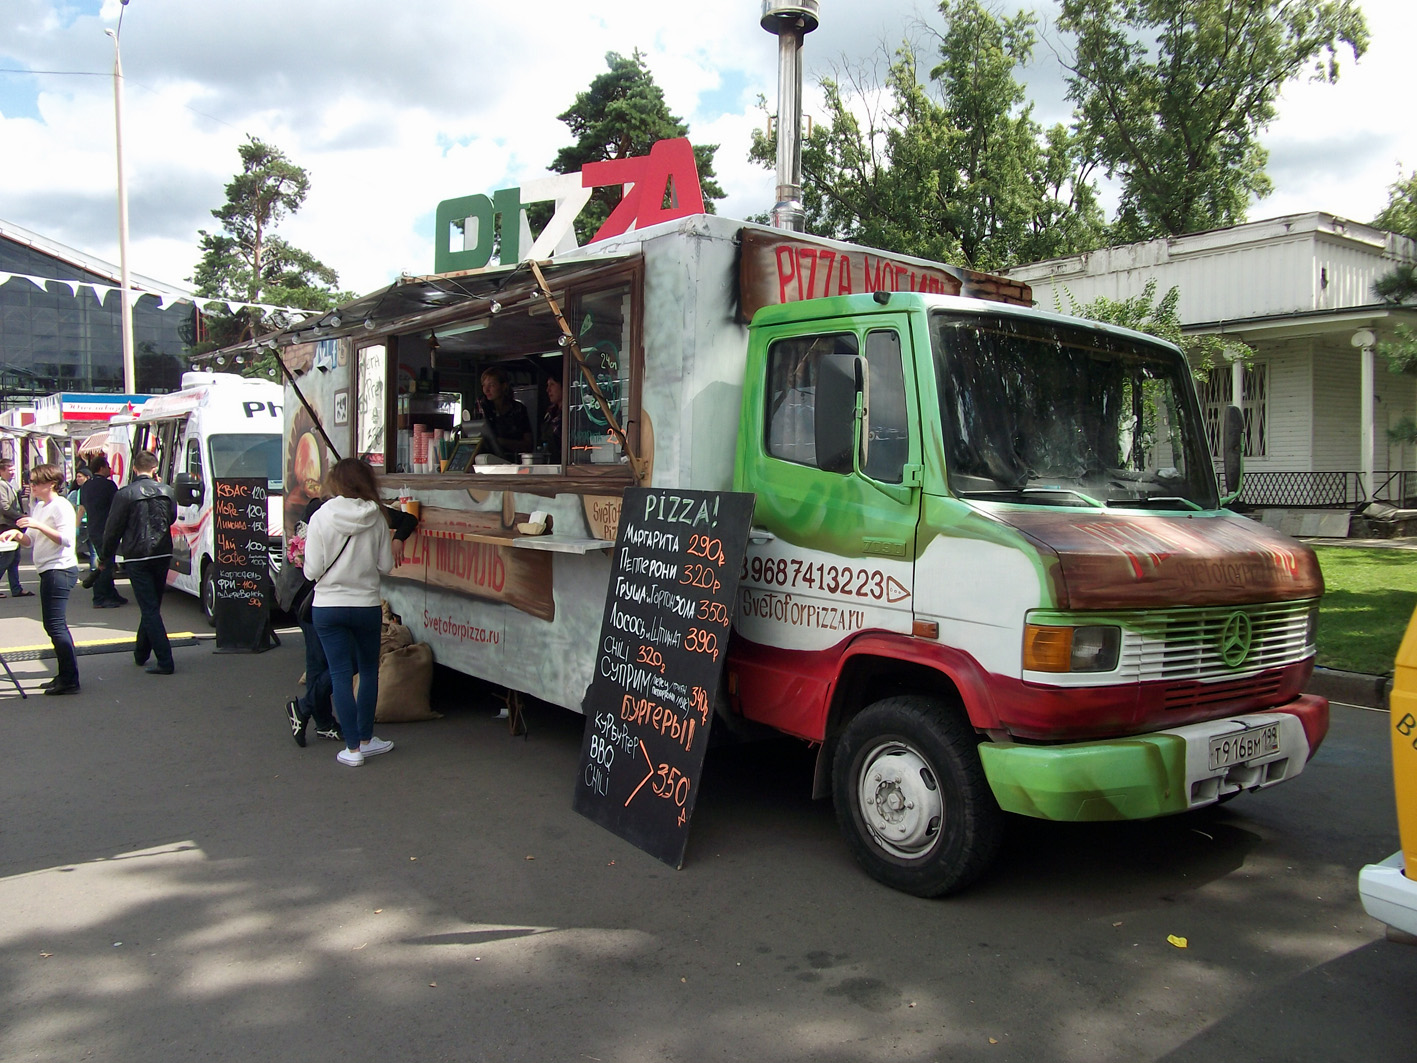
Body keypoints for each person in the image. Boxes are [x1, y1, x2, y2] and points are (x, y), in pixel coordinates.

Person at [284, 488, 418, 747]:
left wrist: (399, 537)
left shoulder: (333, 513)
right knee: (331, 665)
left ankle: (309, 712)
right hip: (315, 597)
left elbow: (310, 565)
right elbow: (385, 564)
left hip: (323, 600)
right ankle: (327, 724)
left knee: (335, 668)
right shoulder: (371, 513)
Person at [303, 458, 397, 766]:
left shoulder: (320, 517)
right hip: (366, 605)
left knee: (341, 674)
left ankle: (353, 749)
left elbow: (312, 571)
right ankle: (368, 739)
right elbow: (386, 565)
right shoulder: (377, 517)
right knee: (369, 671)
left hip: (328, 607)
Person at [2, 464, 81, 694]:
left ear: (52, 484)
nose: (32, 486)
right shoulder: (39, 507)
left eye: (36, 482)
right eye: (31, 482)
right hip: (48, 569)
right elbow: (31, 541)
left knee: (56, 625)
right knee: (52, 625)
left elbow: (66, 539)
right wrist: (17, 536)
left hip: (60, 569)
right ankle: (64, 675)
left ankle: (69, 679)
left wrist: (36, 525)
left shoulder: (60, 506)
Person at [98, 450, 177, 675]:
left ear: (134, 468)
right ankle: (141, 653)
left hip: (137, 554)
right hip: (162, 552)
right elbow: (171, 517)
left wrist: (106, 557)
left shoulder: (125, 494)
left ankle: (165, 660)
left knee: (149, 607)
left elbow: (113, 529)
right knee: (151, 605)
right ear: (155, 469)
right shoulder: (167, 490)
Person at [79, 457, 125, 607]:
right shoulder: (108, 485)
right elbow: (117, 507)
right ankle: (100, 597)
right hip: (106, 529)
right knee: (105, 564)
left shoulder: (86, 486)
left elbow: (84, 506)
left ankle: (111, 593)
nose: (110, 469)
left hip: (93, 528)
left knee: (105, 561)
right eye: (108, 467)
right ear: (101, 468)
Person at [477, 365, 533, 459]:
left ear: (504, 386)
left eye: (491, 385)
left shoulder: (518, 409)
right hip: (486, 461)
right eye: (484, 386)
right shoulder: (481, 407)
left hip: (513, 463)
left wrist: (500, 442)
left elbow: (528, 445)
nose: (486, 390)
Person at [0, 455, 33, 599]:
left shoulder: (9, 484)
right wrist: (21, 517)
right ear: (1, 471)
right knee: (8, 557)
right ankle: (16, 587)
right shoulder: (1, 485)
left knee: (14, 558)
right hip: (6, 525)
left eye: (14, 469)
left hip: (12, 525)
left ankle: (16, 588)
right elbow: (5, 507)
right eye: (10, 469)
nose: (13, 472)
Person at [68, 465, 97, 572]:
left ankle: (72, 570)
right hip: (92, 523)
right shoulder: (94, 490)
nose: (78, 479)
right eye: (77, 477)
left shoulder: (80, 491)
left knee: (72, 548)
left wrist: (75, 526)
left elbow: (80, 509)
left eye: (80, 476)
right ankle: (94, 572)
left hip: (82, 523)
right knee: (93, 550)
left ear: (88, 477)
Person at [541, 376, 564, 462]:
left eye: (552, 385)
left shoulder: (574, 412)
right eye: (548, 385)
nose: (548, 389)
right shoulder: (550, 413)